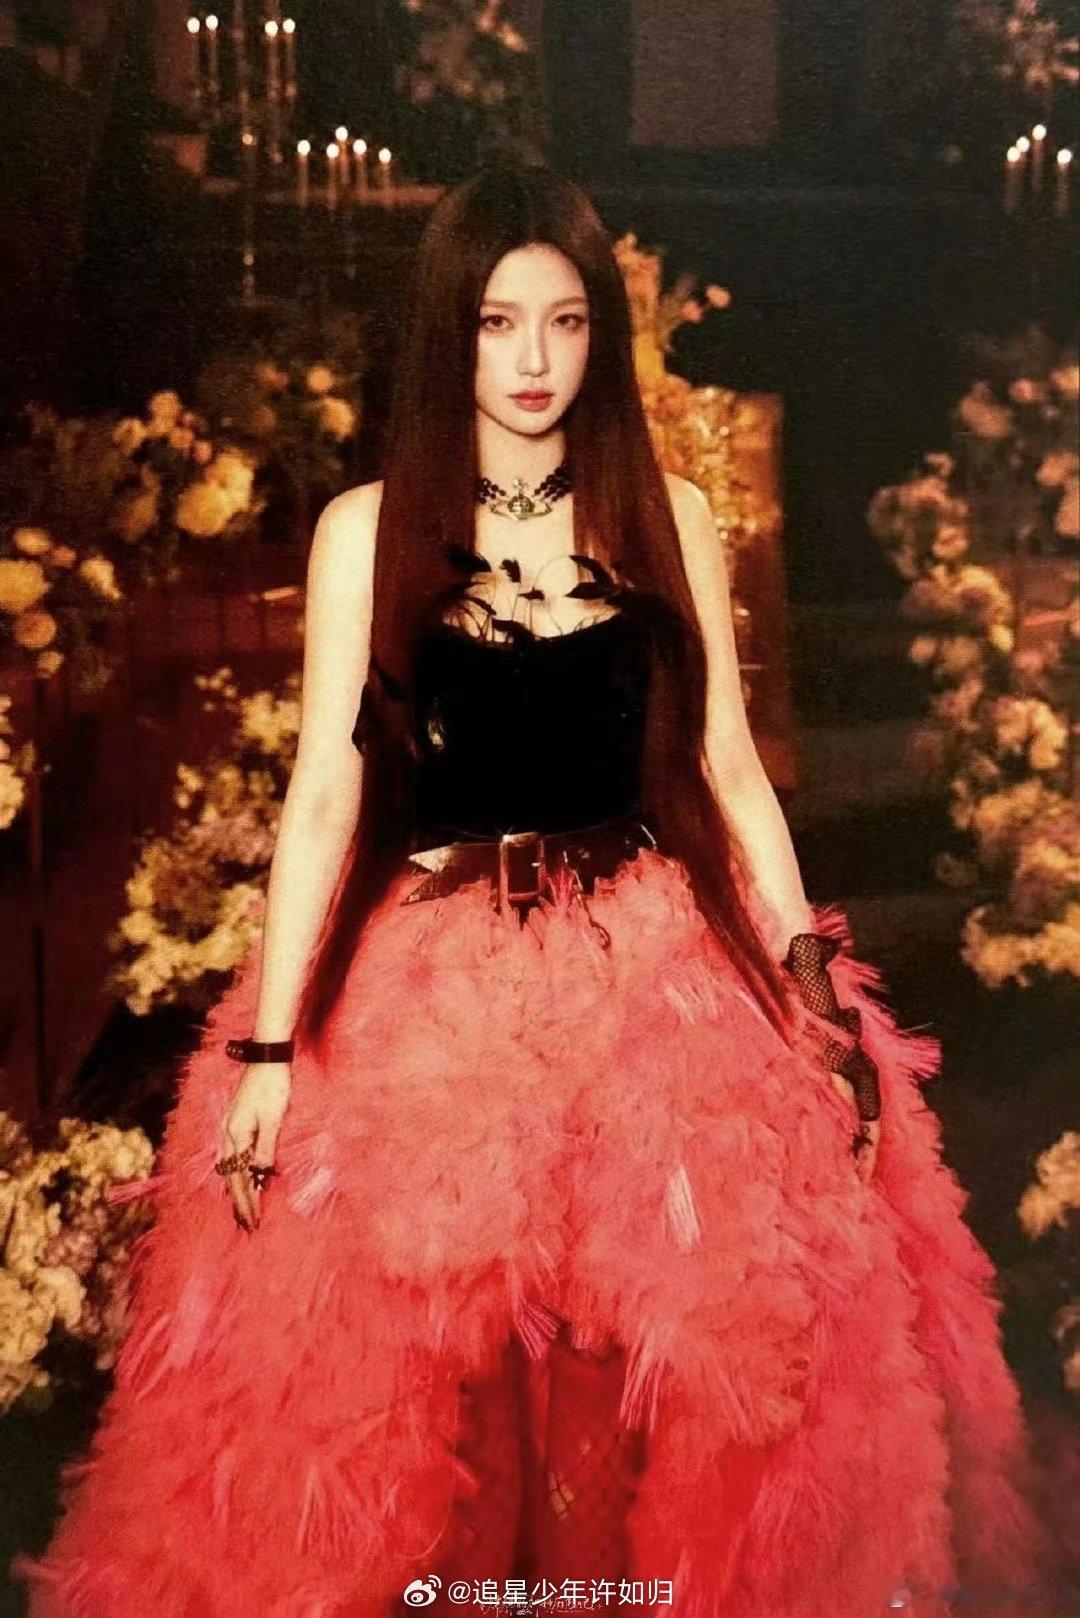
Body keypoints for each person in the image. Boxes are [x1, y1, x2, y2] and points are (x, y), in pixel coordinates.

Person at [16, 162, 1055, 1618]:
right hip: (428, 993)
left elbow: (729, 766)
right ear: (451, 333)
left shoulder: (665, 514)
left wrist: (808, 980)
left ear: (601, 338)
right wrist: (268, 1050)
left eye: (565, 323)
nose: (533, 360)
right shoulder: (367, 529)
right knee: (410, 1379)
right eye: (499, 323)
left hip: (648, 973)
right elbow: (324, 794)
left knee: (663, 1363)